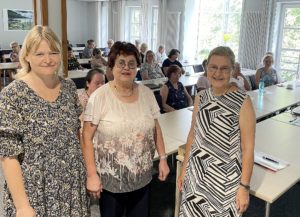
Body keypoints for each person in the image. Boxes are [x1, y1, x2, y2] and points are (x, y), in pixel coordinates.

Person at [0, 25, 89, 217]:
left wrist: (88, 174)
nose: (48, 59)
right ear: (27, 57)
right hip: (34, 189)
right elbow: (8, 156)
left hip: (71, 184)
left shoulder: (69, 88)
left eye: (53, 52)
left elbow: (76, 135)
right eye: (39, 53)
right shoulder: (13, 94)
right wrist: (22, 206)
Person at [82, 41, 170, 217]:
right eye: (121, 63)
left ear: (137, 66)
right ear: (111, 66)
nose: (126, 68)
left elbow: (156, 128)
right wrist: (91, 174)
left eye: (132, 63)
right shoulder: (100, 97)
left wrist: (162, 158)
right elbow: (86, 137)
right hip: (112, 179)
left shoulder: (146, 93)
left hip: (142, 176)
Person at [178, 46, 256, 216]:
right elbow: (193, 135)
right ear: (207, 68)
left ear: (232, 70)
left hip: (224, 182)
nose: (218, 73)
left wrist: (244, 187)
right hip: (196, 175)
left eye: (224, 68)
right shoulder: (201, 97)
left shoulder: (243, 101)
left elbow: (248, 149)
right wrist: (184, 169)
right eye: (213, 67)